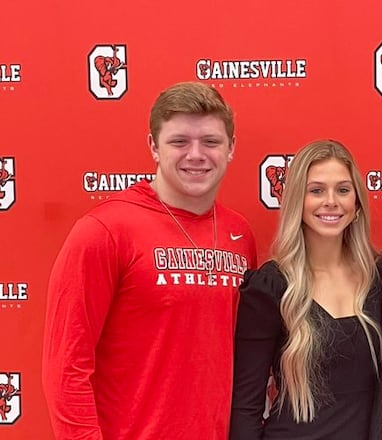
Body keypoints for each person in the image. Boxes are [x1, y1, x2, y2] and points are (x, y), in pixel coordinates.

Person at [42, 82, 257, 439]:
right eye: (179, 142)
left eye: (211, 141)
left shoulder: (239, 233)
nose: (196, 154)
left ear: (231, 148)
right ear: (153, 147)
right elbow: (66, 367)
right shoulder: (105, 230)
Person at [230, 140, 382, 440]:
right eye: (316, 190)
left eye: (343, 190)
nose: (331, 201)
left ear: (356, 203)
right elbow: (245, 406)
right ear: (296, 201)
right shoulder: (271, 287)